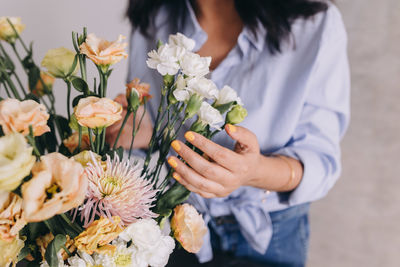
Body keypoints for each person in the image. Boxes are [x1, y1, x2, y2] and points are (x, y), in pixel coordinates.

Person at [107, 0, 350, 266]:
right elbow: (152, 122)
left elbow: (320, 161)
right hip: (182, 224)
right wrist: (132, 131)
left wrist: (255, 171)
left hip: (272, 236)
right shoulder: (155, 13)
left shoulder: (316, 23)